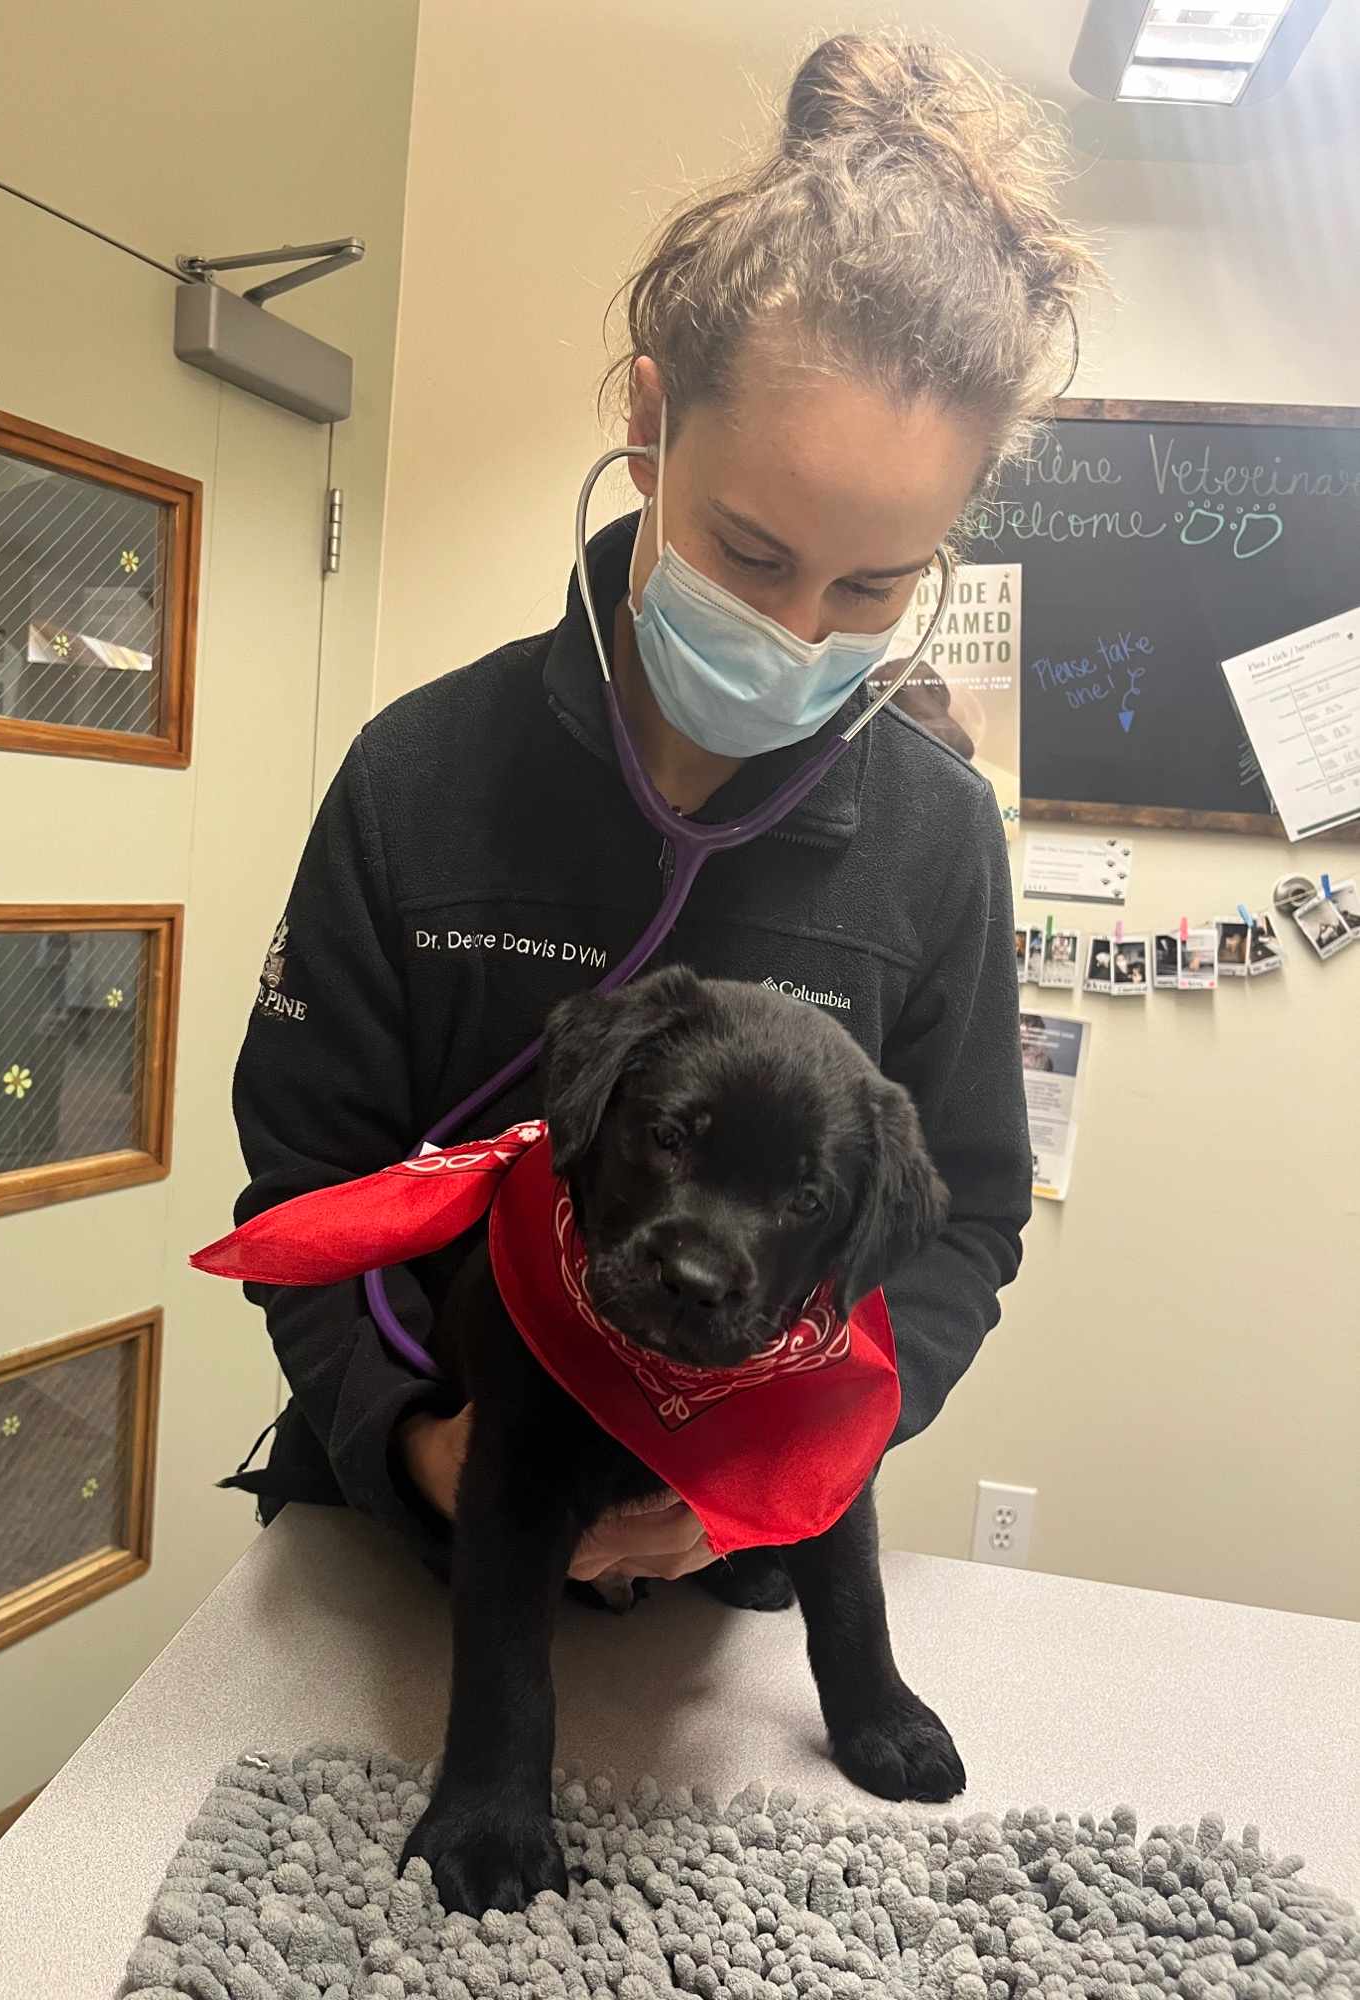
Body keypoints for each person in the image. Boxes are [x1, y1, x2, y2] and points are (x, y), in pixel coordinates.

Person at [224, 30, 1096, 1603]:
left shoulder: (936, 838)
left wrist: (771, 1480)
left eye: (874, 586)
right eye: (753, 554)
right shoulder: (415, 780)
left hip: (725, 1582)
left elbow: (960, 1227)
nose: (803, 630)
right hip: (412, 1550)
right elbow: (302, 1184)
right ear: (648, 425)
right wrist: (414, 1444)